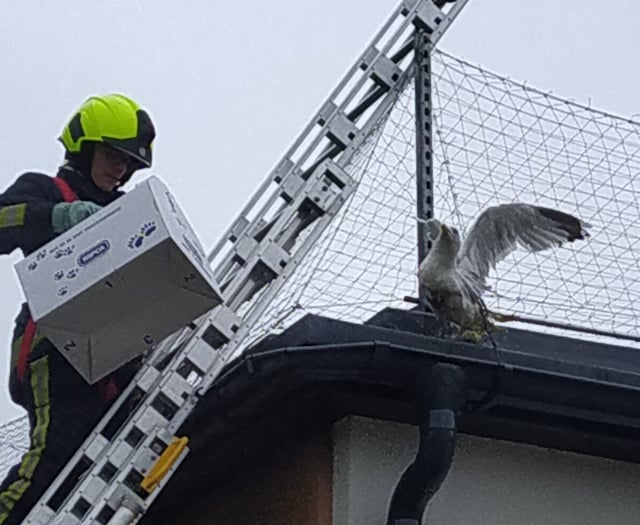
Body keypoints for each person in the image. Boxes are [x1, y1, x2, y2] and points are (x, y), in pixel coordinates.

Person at [0, 93, 156, 524]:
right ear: (84, 148)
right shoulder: (45, 190)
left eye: (127, 163)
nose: (119, 169)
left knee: (111, 469)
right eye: (111, 155)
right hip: (55, 345)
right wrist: (55, 216)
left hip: (116, 360)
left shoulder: (126, 213)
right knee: (56, 457)